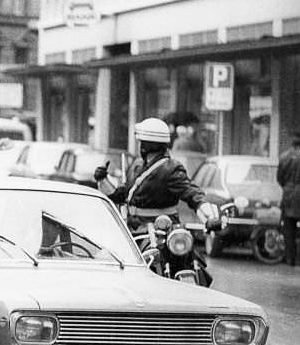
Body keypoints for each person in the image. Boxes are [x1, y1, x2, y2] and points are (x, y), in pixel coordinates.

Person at [94, 117, 220, 280]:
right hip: (134, 230)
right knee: (111, 265)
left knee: (185, 263)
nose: (140, 146)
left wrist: (210, 217)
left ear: (147, 145)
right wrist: (102, 179)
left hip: (163, 231)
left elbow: (193, 193)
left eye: (142, 142)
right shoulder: (138, 165)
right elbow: (121, 195)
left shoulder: (170, 168)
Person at [276, 132, 300, 266]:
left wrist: (287, 187)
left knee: (288, 229)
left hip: (288, 195)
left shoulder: (284, 157)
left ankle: (289, 258)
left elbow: (279, 178)